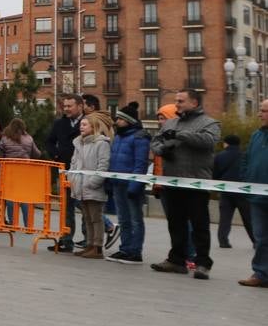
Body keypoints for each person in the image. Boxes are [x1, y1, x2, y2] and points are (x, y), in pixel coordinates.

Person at [150, 89, 220, 279]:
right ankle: (176, 260)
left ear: (194, 103)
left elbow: (209, 141)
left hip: (196, 183)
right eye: (176, 101)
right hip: (172, 182)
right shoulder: (171, 122)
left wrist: (181, 135)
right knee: (175, 223)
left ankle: (203, 263)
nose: (177, 104)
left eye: (181, 101)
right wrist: (163, 149)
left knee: (199, 225)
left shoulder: (209, 123)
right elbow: (155, 142)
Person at [108, 102, 151, 264]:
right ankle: (124, 248)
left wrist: (135, 186)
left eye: (119, 118)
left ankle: (135, 251)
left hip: (131, 185)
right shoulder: (119, 136)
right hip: (118, 184)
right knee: (123, 219)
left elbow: (140, 164)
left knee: (135, 219)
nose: (116, 121)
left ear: (129, 120)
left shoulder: (140, 137)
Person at [68, 111, 112, 259]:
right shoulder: (78, 143)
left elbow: (103, 165)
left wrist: (93, 183)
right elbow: (73, 163)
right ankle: (89, 244)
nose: (81, 127)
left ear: (94, 126)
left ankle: (97, 247)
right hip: (80, 186)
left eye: (85, 124)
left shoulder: (101, 143)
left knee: (96, 218)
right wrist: (72, 179)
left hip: (92, 187)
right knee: (86, 218)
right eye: (81, 124)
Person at [47, 93, 84, 252]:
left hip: (83, 171)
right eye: (65, 106)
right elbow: (49, 141)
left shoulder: (88, 123)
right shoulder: (59, 124)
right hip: (64, 169)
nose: (66, 109)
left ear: (80, 106)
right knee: (66, 207)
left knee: (86, 205)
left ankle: (90, 240)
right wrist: (56, 154)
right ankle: (66, 240)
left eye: (70, 106)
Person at [238, 99, 268, 288]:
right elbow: (246, 159)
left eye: (264, 111)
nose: (260, 114)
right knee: (261, 237)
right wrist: (245, 181)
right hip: (257, 197)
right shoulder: (257, 135)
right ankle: (261, 273)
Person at [0, 118, 41, 228]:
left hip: (9, 171)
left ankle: (13, 223)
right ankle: (28, 225)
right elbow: (37, 154)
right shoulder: (29, 138)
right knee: (25, 197)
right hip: (25, 172)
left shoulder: (5, 138)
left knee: (10, 197)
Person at [214, 135, 256, 249]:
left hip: (226, 190)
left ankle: (223, 241)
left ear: (226, 143)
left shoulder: (219, 156)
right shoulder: (245, 156)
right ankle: (256, 241)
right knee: (248, 218)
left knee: (225, 217)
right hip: (243, 191)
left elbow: (215, 174)